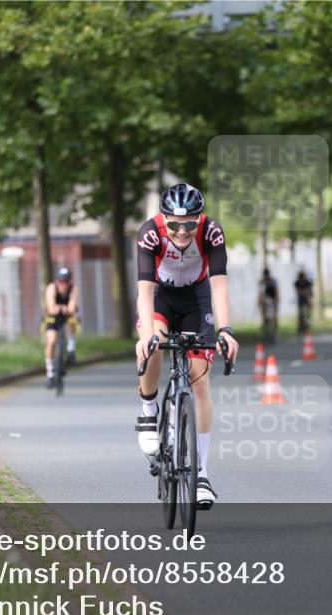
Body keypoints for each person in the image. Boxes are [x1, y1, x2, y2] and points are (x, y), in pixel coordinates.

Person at [134, 183, 238, 508]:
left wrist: (225, 331)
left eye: (189, 224)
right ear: (164, 219)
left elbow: (219, 288)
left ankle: (202, 475)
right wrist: (146, 335)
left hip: (196, 298)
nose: (182, 231)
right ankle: (149, 410)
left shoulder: (212, 233)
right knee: (154, 344)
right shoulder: (150, 233)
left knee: (201, 381)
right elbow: (144, 292)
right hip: (160, 297)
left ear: (199, 219)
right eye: (174, 224)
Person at [43, 266, 79, 388]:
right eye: (61, 282)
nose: (64, 285)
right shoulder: (51, 288)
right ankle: (50, 372)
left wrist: (66, 309)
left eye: (66, 282)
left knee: (72, 321)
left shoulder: (73, 289)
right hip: (53, 317)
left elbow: (72, 308)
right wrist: (61, 308)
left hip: (66, 316)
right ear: (57, 281)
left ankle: (71, 349)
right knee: (51, 341)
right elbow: (51, 308)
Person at [259, 268, 279, 339]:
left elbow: (276, 292)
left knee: (275, 316)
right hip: (265, 299)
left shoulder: (273, 281)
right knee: (263, 311)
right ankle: (264, 323)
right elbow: (260, 293)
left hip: (273, 299)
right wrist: (260, 302)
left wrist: (276, 301)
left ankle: (275, 331)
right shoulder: (262, 282)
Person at [294, 269, 313, 334]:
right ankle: (301, 328)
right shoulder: (297, 283)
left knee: (307, 313)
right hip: (301, 300)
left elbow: (309, 292)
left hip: (307, 299)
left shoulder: (308, 282)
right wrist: (304, 292)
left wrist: (306, 295)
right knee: (301, 314)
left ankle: (307, 327)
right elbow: (298, 292)